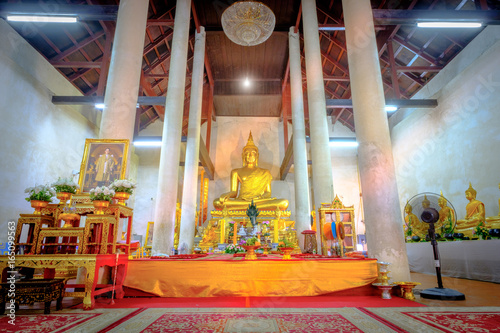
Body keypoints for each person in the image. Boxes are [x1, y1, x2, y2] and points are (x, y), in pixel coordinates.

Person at [213, 132, 289, 211]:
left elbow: (268, 193)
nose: (250, 156)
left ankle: (249, 207)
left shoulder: (265, 172)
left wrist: (259, 198)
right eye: (247, 153)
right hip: (241, 201)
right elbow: (234, 192)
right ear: (243, 156)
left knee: (283, 203)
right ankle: (249, 207)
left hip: (258, 201)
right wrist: (226, 194)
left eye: (253, 153)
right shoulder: (236, 172)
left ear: (257, 156)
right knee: (218, 202)